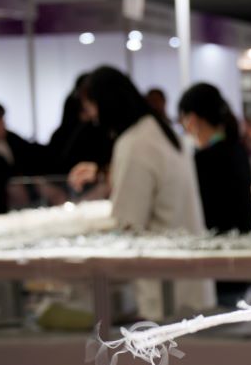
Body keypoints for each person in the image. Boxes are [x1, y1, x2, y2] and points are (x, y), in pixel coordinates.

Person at [75, 66, 214, 314]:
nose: (93, 117)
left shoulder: (135, 142)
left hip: (165, 286)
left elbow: (128, 221)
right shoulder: (160, 130)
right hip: (188, 274)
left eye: (91, 107)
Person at [177, 83, 251, 235]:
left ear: (192, 119)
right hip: (244, 241)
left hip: (218, 246)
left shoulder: (203, 159)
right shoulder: (237, 148)